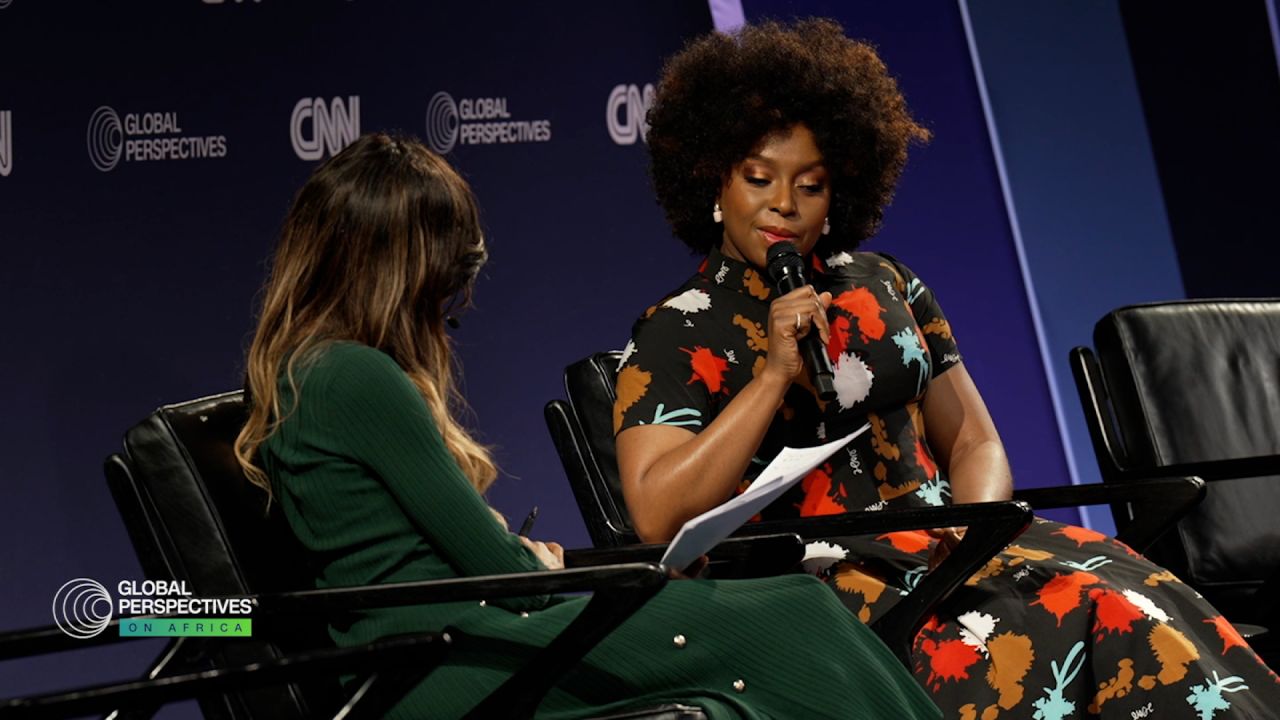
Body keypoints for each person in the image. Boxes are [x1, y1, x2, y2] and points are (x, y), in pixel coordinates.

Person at [615, 19, 1280, 720]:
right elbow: (659, 512)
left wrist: (975, 531)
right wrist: (773, 377)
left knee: (1145, 599)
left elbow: (975, 442)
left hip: (959, 552)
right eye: (759, 179)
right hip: (836, 595)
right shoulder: (677, 329)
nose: (783, 204)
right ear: (713, 181)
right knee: (1102, 622)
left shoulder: (885, 284)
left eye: (809, 186)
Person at [232, 132, 939, 720]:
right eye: (450, 266)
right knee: (793, 616)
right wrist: (535, 564)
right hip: (439, 668)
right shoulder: (353, 377)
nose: (456, 294)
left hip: (461, 643)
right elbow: (505, 574)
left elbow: (479, 561)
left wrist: (572, 564)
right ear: (401, 264)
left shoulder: (315, 372)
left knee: (791, 608)